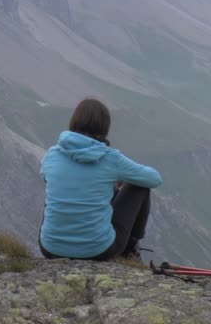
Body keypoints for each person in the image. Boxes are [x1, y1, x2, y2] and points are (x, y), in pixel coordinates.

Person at [39, 97, 162, 261]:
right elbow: (154, 179)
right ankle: (131, 248)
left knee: (56, 189)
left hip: (49, 248)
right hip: (97, 251)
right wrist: (122, 178)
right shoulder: (110, 158)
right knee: (139, 187)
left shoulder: (52, 154)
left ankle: (59, 237)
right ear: (104, 127)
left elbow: (47, 178)